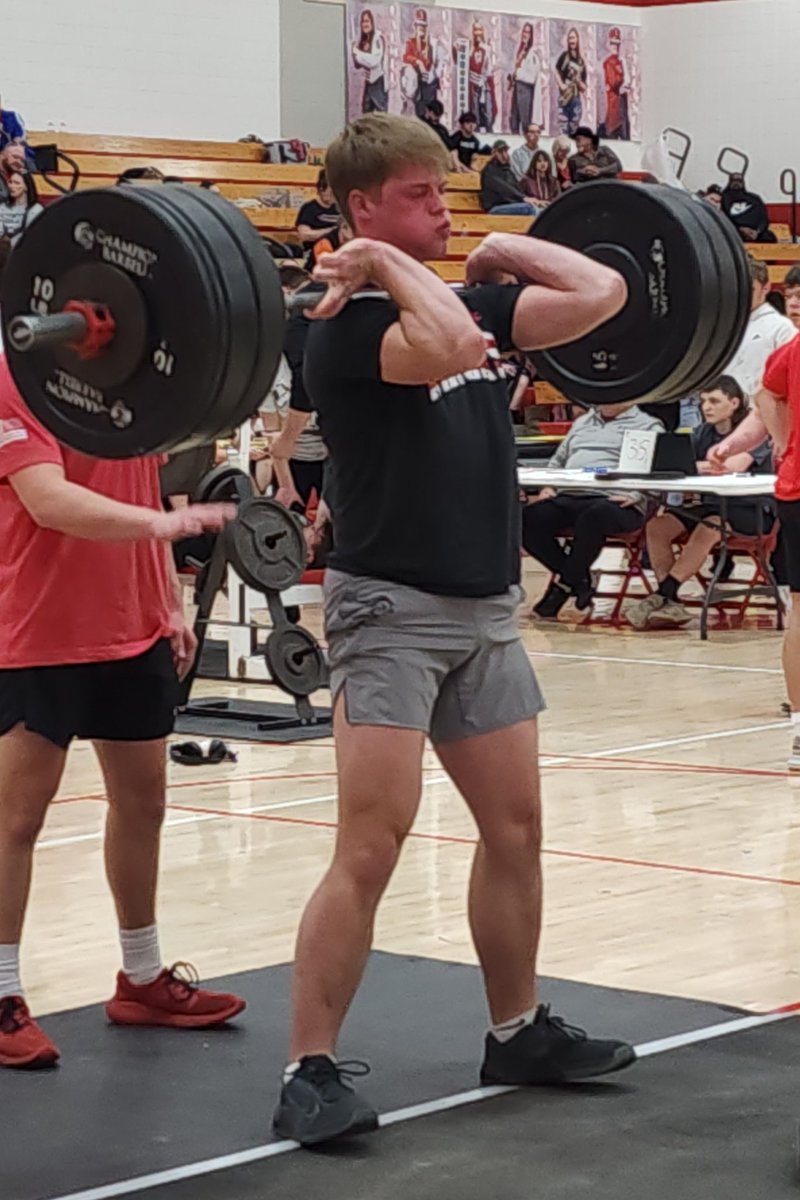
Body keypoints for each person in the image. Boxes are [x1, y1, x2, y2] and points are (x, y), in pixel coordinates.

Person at [271, 111, 634, 1148]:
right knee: (372, 843)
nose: (441, 210)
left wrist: (507, 244)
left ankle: (515, 1030)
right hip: (390, 608)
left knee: (515, 828)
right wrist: (383, 264)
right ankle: (307, 1069)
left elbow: (602, 293)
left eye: (443, 193)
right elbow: (451, 346)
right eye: (418, 197)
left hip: (484, 607)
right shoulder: (339, 327)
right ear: (361, 208)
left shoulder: (465, 294)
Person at [0, 362, 247, 1068]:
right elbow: (48, 500)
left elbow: (139, 488)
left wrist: (167, 598)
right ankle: (3, 993)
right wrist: (162, 524)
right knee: (17, 819)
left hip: (133, 628)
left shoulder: (126, 381)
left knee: (144, 805)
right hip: (39, 631)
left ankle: (141, 978)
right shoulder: (15, 378)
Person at [626, 377, 773, 630]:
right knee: (657, 526)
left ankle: (663, 593)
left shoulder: (754, 432)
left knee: (710, 526)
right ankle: (671, 602)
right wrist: (702, 466)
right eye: (703, 401)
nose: (706, 407)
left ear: (734, 403)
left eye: (714, 401)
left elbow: (735, 465)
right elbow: (679, 463)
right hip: (711, 505)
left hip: (751, 508)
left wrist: (698, 466)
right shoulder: (702, 432)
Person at [522, 402, 663, 619]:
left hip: (617, 501)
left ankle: (562, 589)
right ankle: (578, 580)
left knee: (593, 516)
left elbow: (659, 472)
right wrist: (548, 485)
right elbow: (557, 460)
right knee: (526, 519)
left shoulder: (649, 426)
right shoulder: (582, 422)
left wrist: (636, 495)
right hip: (571, 495)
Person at [722, 256, 796, 397]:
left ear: (766, 287)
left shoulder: (781, 328)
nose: (743, 295)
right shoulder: (722, 326)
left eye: (750, 289)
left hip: (759, 405)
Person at [402, 8, 443, 120]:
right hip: (418, 85)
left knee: (431, 115)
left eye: (423, 25)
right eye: (419, 25)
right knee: (419, 114)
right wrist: (418, 62)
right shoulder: (411, 42)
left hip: (430, 84)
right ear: (415, 27)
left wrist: (433, 74)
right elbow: (406, 57)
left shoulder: (433, 43)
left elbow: (440, 62)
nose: (421, 28)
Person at [479, 140, 539, 216]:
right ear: (494, 153)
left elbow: (518, 188)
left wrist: (535, 200)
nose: (504, 155)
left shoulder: (507, 170)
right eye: (500, 152)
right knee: (529, 208)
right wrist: (523, 198)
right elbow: (504, 188)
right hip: (495, 207)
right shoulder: (489, 170)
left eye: (505, 151)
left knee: (540, 209)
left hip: (510, 205)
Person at [508, 26, 543, 137]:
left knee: (525, 122)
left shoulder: (533, 53)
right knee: (514, 121)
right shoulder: (521, 50)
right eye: (524, 31)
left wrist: (518, 75)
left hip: (526, 90)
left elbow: (532, 76)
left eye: (528, 32)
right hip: (517, 88)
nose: (525, 34)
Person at [352, 8, 388, 114]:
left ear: (372, 22)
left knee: (381, 115)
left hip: (378, 82)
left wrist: (358, 53)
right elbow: (357, 64)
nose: (365, 24)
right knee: (366, 114)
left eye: (367, 21)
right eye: (363, 21)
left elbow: (374, 61)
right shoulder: (364, 40)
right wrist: (356, 54)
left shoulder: (378, 38)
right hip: (368, 82)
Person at [722, 173, 775, 243]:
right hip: (734, 232)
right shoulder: (723, 199)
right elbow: (723, 220)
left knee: (769, 237)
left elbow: (764, 219)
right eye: (734, 180)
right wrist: (740, 230)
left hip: (755, 233)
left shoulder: (755, 199)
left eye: (739, 180)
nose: (736, 183)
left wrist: (757, 232)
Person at [295, 170, 340, 251]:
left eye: (332, 191)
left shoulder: (341, 209)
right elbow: (304, 235)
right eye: (323, 189)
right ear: (319, 189)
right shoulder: (309, 208)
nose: (328, 194)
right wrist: (333, 231)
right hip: (315, 251)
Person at [554, 27, 587, 137]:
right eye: (570, 38)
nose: (571, 40)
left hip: (575, 99)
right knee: (563, 131)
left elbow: (584, 87)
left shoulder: (581, 62)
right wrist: (561, 85)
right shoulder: (564, 56)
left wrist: (578, 81)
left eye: (573, 38)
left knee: (574, 132)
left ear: (577, 39)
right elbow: (556, 71)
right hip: (564, 97)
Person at [600, 28, 629, 141]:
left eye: (617, 43)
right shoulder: (608, 62)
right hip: (614, 109)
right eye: (613, 43)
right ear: (609, 44)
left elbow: (627, 82)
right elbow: (614, 82)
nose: (615, 46)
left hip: (622, 107)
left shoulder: (620, 61)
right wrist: (622, 77)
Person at [467, 21, 497, 132]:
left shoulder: (487, 48)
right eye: (475, 30)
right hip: (473, 86)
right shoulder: (469, 49)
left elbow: (490, 68)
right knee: (475, 115)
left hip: (485, 85)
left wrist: (483, 79)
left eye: (480, 30)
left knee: (488, 115)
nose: (478, 33)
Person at [0, 171, 43, 246]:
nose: (12, 186)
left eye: (17, 183)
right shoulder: (2, 207)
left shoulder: (36, 209)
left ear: (26, 187)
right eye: (10, 182)